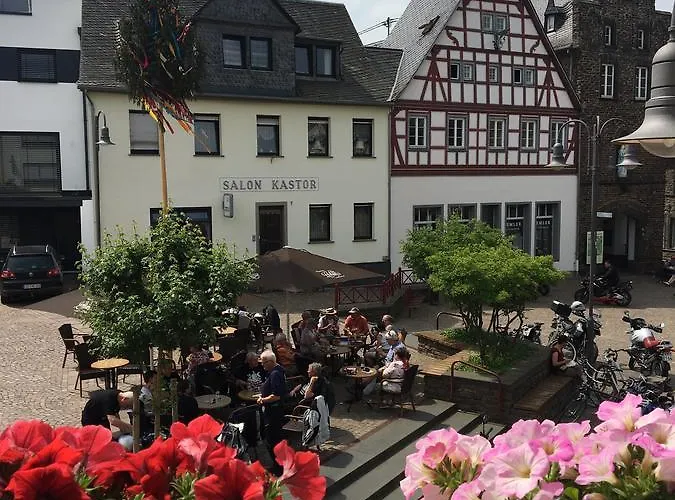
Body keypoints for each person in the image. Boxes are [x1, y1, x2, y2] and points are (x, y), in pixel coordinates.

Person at [257, 350, 287, 476]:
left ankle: (278, 468)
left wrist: (263, 400)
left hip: (273, 411)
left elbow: (276, 395)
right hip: (274, 410)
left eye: (264, 363)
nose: (262, 365)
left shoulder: (275, 374)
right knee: (274, 439)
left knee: (272, 440)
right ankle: (278, 465)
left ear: (270, 362)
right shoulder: (277, 371)